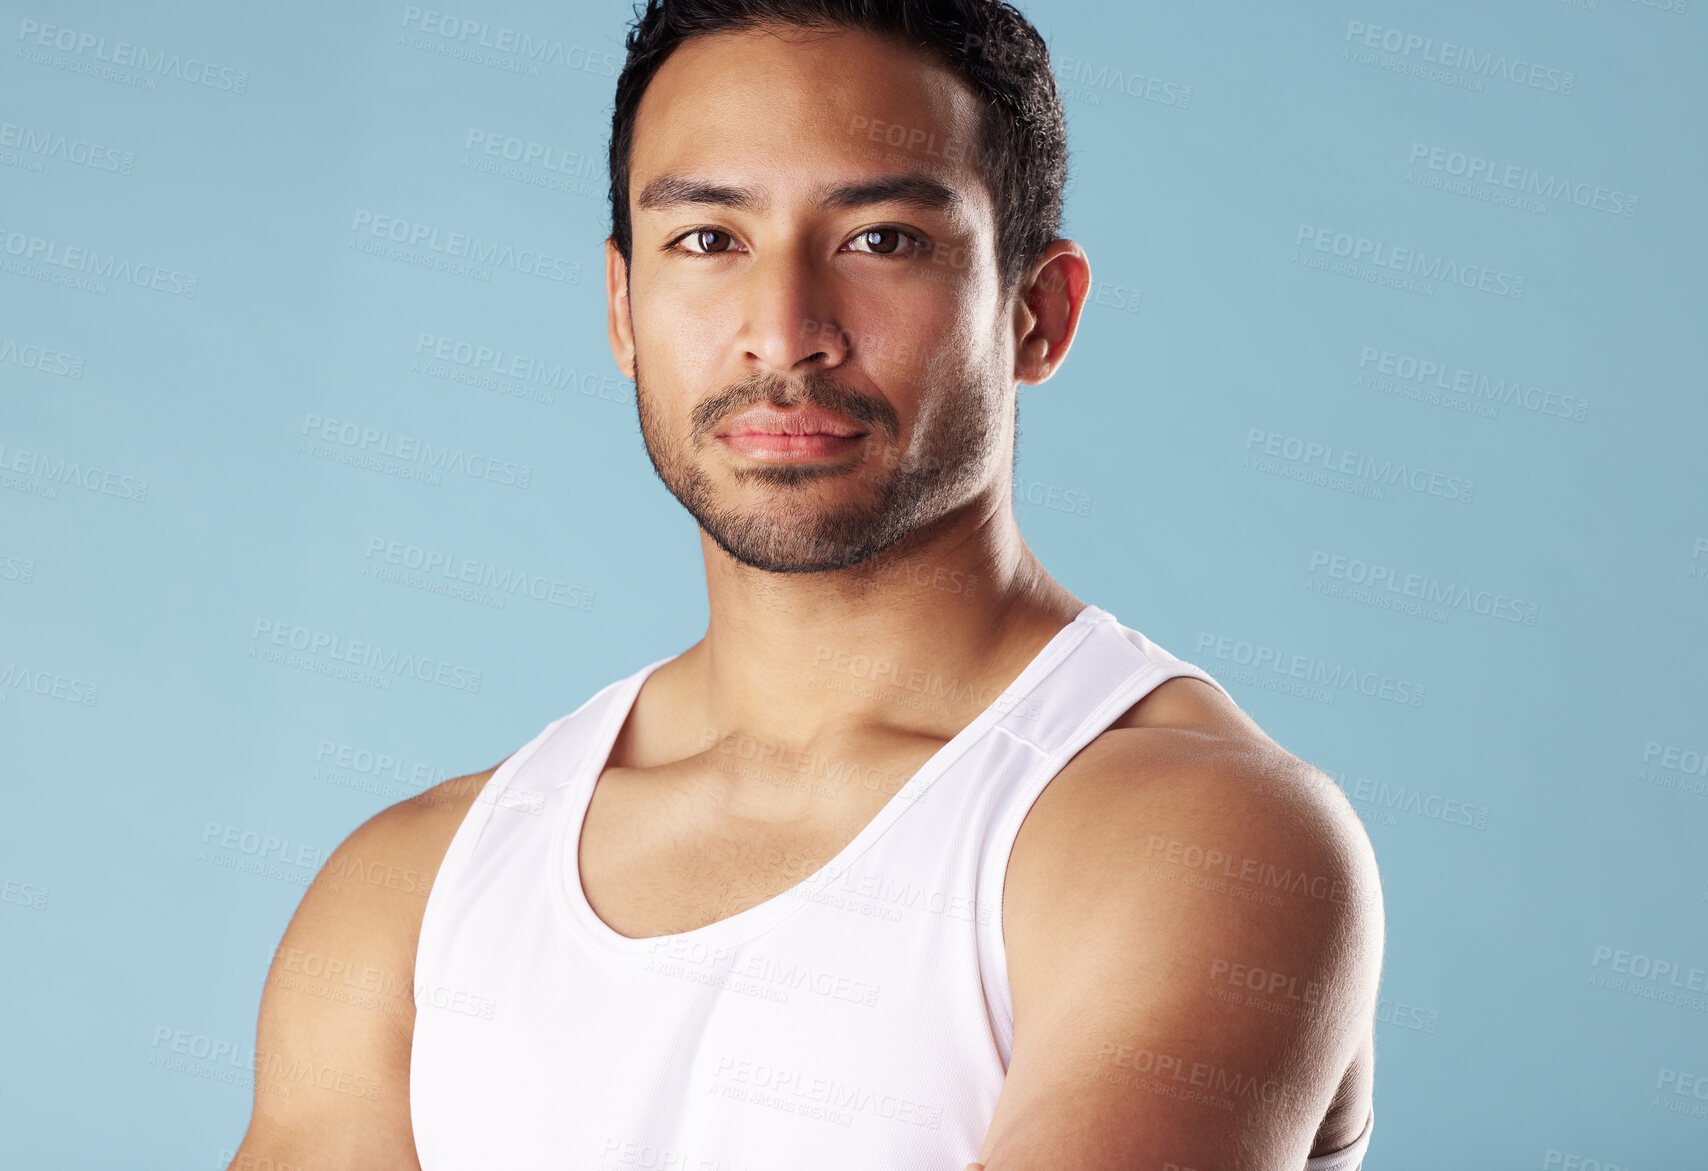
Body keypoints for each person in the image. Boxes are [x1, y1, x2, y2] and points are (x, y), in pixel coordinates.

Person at [226, 2, 1384, 1167]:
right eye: (709, 241)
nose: (782, 334)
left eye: (880, 238)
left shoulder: (1188, 835)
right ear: (623, 308)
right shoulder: (414, 886)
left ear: (1039, 312)